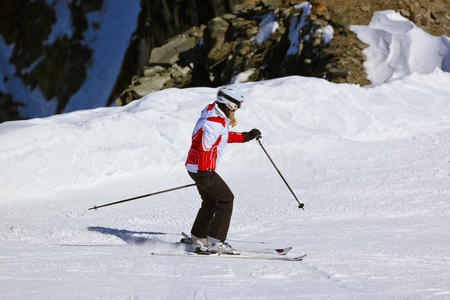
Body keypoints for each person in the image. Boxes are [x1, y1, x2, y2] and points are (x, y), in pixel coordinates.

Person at [185, 85, 261, 254]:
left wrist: (246, 136)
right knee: (226, 199)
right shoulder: (214, 122)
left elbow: (222, 137)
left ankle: (198, 236)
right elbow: (205, 147)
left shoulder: (214, 116)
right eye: (237, 105)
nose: (238, 108)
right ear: (229, 104)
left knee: (211, 201)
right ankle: (215, 242)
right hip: (202, 169)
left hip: (196, 167)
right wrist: (205, 174)